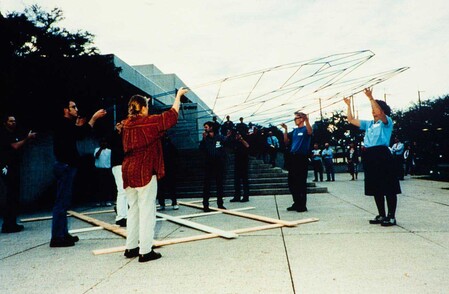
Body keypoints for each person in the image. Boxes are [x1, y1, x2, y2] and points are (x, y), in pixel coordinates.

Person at [121, 87, 188, 263]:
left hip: (128, 170)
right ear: (143, 109)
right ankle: (145, 250)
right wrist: (178, 96)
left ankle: (131, 247)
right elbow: (171, 116)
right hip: (144, 169)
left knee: (133, 210)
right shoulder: (148, 122)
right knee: (147, 211)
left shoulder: (126, 124)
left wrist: (142, 104)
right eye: (146, 107)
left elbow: (140, 119)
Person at [51, 101, 106, 247]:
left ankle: (63, 234)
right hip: (65, 167)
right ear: (65, 110)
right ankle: (57, 237)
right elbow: (80, 133)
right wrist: (93, 119)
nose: (76, 109)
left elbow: (77, 134)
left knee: (64, 202)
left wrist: (80, 125)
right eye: (73, 107)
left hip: (66, 166)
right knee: (61, 203)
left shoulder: (66, 125)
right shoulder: (63, 123)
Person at [344, 88, 401, 226]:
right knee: (376, 186)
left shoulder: (386, 122)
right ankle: (381, 214)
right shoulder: (369, 124)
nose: (373, 110)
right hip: (370, 155)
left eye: (375, 107)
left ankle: (391, 216)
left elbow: (381, 113)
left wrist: (371, 98)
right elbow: (350, 119)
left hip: (382, 154)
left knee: (388, 186)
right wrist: (348, 105)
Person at [0, 115, 36, 233]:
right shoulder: (4, 134)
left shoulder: (14, 134)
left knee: (14, 195)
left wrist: (27, 139)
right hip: (7, 167)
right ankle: (8, 224)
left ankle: (12, 223)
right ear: (5, 123)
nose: (13, 123)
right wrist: (27, 138)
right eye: (10, 121)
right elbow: (15, 146)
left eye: (14, 121)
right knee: (10, 195)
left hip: (14, 167)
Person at [281, 111, 312, 212]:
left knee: (301, 182)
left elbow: (310, 132)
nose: (295, 120)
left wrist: (307, 119)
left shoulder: (305, 129)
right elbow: (286, 142)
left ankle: (302, 205)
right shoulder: (294, 131)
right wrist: (285, 130)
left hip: (302, 158)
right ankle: (296, 202)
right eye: (294, 118)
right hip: (293, 157)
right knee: (292, 182)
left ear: (302, 119)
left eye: (297, 118)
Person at [200, 121, 227, 212]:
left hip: (218, 164)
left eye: (206, 127)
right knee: (207, 185)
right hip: (209, 164)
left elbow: (226, 144)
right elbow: (201, 149)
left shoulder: (219, 137)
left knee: (219, 184)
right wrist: (203, 140)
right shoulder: (205, 139)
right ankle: (205, 205)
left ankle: (220, 204)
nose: (205, 128)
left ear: (211, 127)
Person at [110, 122, 127, 227]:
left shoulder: (126, 135)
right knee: (122, 191)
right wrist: (117, 132)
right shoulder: (114, 137)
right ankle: (121, 216)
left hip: (125, 164)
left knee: (126, 191)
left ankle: (125, 215)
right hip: (118, 165)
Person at [157, 133, 179, 210]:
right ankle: (162, 203)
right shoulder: (157, 146)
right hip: (160, 168)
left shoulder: (169, 144)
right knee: (161, 188)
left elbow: (175, 155)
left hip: (169, 168)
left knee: (171, 187)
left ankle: (174, 202)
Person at [228, 130, 250, 202]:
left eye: (238, 134)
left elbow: (247, 145)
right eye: (236, 135)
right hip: (237, 162)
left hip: (244, 163)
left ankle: (246, 196)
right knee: (236, 181)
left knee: (245, 181)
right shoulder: (235, 142)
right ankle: (237, 196)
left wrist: (241, 139)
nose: (237, 136)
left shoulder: (244, 140)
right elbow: (229, 146)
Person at [93, 138, 113, 206]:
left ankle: (107, 200)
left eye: (105, 142)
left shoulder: (109, 151)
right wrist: (101, 149)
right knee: (99, 186)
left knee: (107, 185)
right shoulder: (97, 150)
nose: (103, 144)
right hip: (99, 170)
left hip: (107, 170)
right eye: (102, 142)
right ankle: (99, 200)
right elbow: (96, 156)